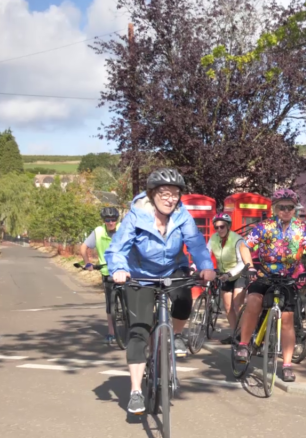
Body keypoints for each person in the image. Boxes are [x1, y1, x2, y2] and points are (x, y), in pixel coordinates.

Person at [106, 168, 215, 415]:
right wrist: (120, 269)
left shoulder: (182, 216)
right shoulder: (136, 216)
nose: (170, 198)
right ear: (153, 194)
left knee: (185, 299)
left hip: (173, 270)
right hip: (141, 276)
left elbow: (196, 244)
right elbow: (117, 249)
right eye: (165, 193)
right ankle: (135, 391)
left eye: (175, 194)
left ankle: (172, 335)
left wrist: (206, 267)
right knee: (139, 332)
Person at [234, 188, 306, 382]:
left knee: (287, 320)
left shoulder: (302, 228)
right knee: (254, 300)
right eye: (282, 207)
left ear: (294, 209)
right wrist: (250, 267)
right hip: (264, 274)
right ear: (274, 208)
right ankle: (244, 345)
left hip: (289, 277)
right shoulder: (264, 226)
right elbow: (244, 245)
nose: (286, 210)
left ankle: (287, 365)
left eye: (290, 207)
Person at [207, 212, 253, 344]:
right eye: (216, 227)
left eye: (222, 226)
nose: (219, 229)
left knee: (238, 304)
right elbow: (205, 254)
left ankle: (245, 336)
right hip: (224, 275)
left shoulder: (237, 240)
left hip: (239, 274)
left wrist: (229, 274)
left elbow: (242, 262)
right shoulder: (213, 239)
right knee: (227, 307)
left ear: (228, 226)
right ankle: (235, 335)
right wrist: (194, 267)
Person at [80, 206, 121, 345]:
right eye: (107, 220)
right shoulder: (98, 231)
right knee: (110, 304)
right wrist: (87, 263)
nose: (110, 222)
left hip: (124, 270)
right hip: (107, 271)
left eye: (113, 219)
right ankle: (111, 332)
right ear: (103, 221)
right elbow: (83, 247)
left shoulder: (123, 229)